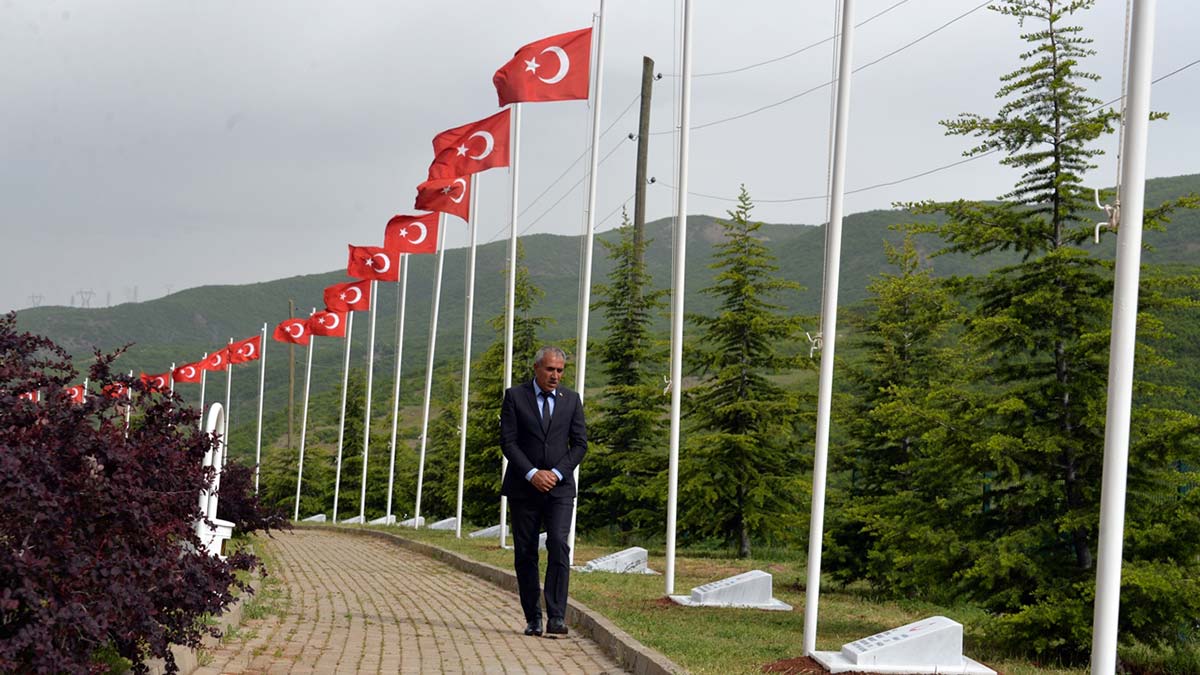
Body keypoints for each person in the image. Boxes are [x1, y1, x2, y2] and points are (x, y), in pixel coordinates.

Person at [499, 345, 587, 637]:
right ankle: (533, 618)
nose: (555, 376)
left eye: (560, 370)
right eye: (550, 369)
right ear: (536, 368)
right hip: (524, 488)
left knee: (559, 544)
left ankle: (557, 617)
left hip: (560, 489)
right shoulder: (515, 397)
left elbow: (580, 444)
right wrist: (533, 473)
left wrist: (557, 473)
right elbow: (508, 442)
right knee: (526, 552)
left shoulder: (571, 400)